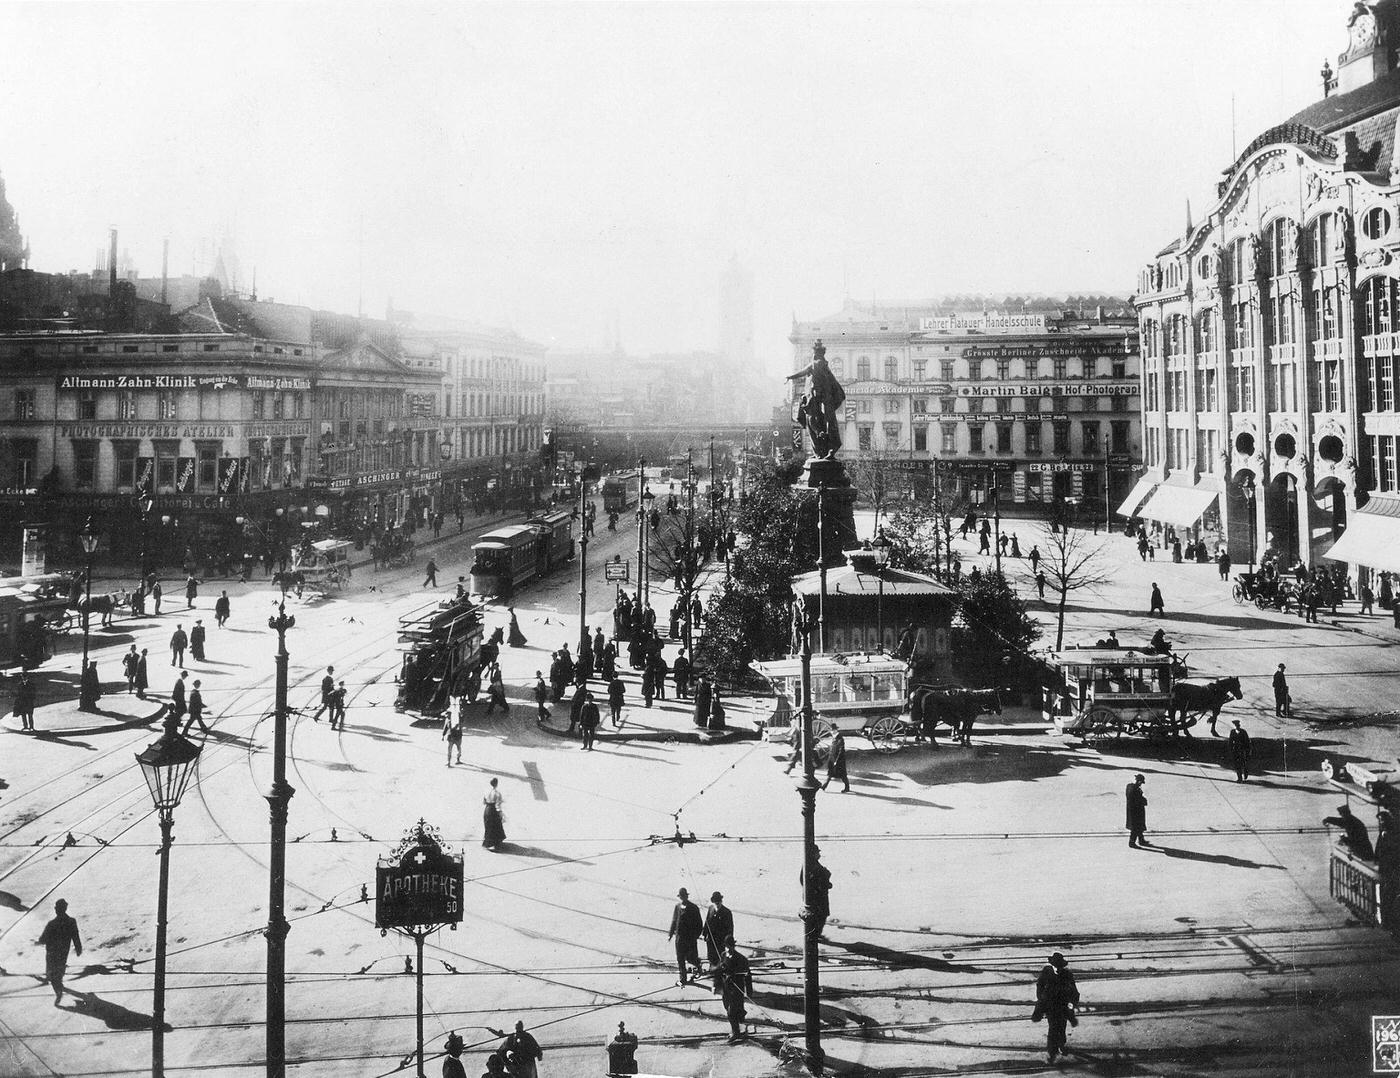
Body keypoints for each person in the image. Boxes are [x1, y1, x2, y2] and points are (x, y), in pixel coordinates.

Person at [1033, 951, 1081, 1064]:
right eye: (1056, 966)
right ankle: (1052, 1052)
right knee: (1053, 1028)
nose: (1058, 969)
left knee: (1062, 1027)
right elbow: (1039, 986)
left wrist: (1072, 1003)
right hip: (1051, 1006)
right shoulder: (1046, 972)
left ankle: (1061, 1045)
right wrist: (1041, 999)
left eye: (1060, 967)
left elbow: (1074, 990)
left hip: (1062, 1006)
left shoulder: (1067, 974)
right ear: (1052, 965)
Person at [38, 899, 83, 1005]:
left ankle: (58, 991)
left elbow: (43, 939)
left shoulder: (51, 924)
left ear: (56, 910)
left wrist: (40, 941)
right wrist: (78, 948)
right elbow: (75, 936)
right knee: (59, 970)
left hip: (51, 953)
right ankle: (59, 986)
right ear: (65, 908)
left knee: (52, 973)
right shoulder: (71, 921)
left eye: (56, 908)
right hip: (63, 952)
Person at [715, 937, 752, 1043]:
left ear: (733, 946)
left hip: (736, 989)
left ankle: (736, 1033)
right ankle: (740, 1017)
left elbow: (748, 975)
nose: (728, 949)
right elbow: (718, 972)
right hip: (726, 989)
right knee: (727, 1007)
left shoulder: (741, 959)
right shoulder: (723, 955)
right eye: (726, 947)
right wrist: (716, 985)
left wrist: (749, 992)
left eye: (730, 947)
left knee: (731, 1012)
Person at [666, 887, 705, 986]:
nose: (683, 898)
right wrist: (670, 934)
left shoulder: (693, 908)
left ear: (687, 896)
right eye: (681, 896)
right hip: (679, 938)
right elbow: (674, 921)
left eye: (684, 896)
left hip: (690, 939)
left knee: (690, 958)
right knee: (680, 959)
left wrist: (695, 936)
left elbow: (699, 924)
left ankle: (698, 964)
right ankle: (683, 979)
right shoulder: (677, 907)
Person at [801, 848, 832, 940]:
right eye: (817, 853)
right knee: (818, 915)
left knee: (822, 915)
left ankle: (816, 934)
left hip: (819, 894)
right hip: (816, 896)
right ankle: (813, 935)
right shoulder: (809, 865)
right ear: (813, 854)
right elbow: (804, 880)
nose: (819, 854)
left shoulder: (813, 863)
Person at [703, 892, 734, 980]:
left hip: (721, 940)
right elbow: (707, 922)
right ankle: (712, 971)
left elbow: (730, 927)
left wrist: (729, 940)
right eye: (715, 901)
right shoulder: (711, 909)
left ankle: (719, 973)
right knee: (711, 955)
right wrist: (704, 934)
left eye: (718, 901)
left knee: (720, 955)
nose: (717, 903)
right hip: (711, 939)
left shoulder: (727, 912)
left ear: (721, 901)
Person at [1125, 773, 1149, 848]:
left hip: (1133, 810)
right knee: (1135, 827)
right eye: (1141, 782)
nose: (1141, 784)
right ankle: (1131, 842)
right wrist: (1143, 801)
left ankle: (1141, 839)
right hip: (1136, 811)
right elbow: (1135, 800)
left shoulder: (1130, 786)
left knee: (1139, 826)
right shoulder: (1134, 789)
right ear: (1139, 781)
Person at [482, 778, 506, 850]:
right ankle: (494, 844)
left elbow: (484, 802)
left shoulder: (486, 791)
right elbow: (497, 806)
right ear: (496, 784)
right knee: (495, 827)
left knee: (488, 826)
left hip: (487, 809)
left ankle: (487, 843)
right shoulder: (497, 793)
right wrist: (501, 814)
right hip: (493, 811)